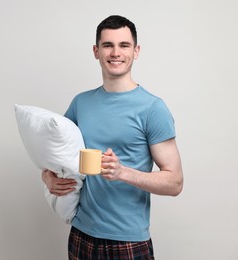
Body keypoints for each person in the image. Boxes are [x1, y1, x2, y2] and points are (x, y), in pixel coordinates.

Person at [42, 15, 183, 259]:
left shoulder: (153, 109)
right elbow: (56, 155)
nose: (115, 52)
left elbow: (175, 182)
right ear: (96, 51)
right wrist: (47, 177)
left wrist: (122, 172)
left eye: (124, 45)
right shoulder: (81, 103)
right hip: (81, 234)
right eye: (108, 45)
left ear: (136, 51)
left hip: (127, 241)